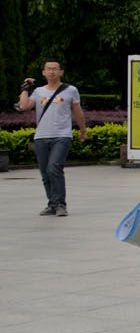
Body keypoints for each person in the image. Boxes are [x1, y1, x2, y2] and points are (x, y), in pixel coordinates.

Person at [16, 60, 88, 217]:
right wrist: (25, 88)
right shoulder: (39, 91)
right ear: (43, 72)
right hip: (41, 136)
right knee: (45, 172)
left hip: (62, 136)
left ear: (61, 72)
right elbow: (23, 106)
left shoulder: (70, 90)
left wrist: (82, 130)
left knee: (54, 168)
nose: (52, 71)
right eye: (48, 69)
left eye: (55, 69)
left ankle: (61, 204)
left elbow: (77, 111)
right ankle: (52, 204)